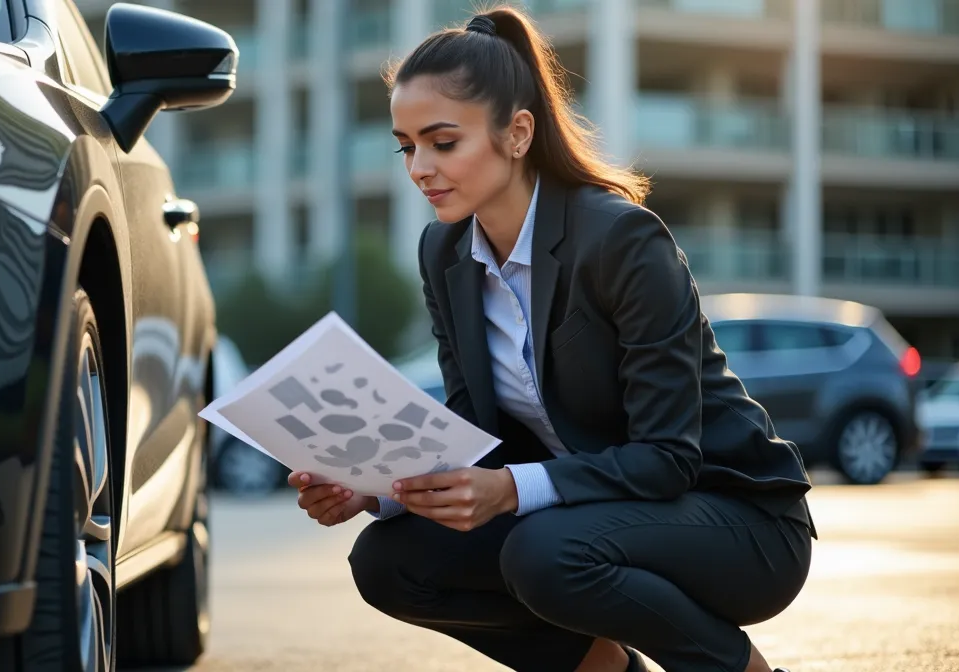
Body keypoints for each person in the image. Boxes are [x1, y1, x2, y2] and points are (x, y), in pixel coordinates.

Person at [288, 6, 816, 672]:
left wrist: (509, 491)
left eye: (442, 142)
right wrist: (376, 486)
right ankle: (603, 667)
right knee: (391, 562)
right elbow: (475, 430)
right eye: (406, 145)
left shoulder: (622, 241)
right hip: (590, 515)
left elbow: (666, 459)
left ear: (517, 134)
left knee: (543, 554)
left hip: (732, 519)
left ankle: (736, 669)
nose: (419, 167)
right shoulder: (443, 251)